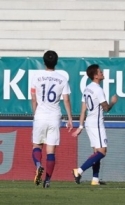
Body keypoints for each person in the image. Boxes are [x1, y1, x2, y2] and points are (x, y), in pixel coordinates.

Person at [31, 50, 73, 188]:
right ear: (56, 62)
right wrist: (70, 119)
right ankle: (47, 180)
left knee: (37, 145)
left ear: (44, 62)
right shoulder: (62, 78)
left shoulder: (36, 77)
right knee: (51, 151)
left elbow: (34, 98)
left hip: (40, 115)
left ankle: (38, 165)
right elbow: (66, 99)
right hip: (55, 116)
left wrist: (35, 113)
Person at [71, 64, 118, 185]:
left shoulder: (87, 89)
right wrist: (112, 102)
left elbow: (83, 110)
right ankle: (79, 171)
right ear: (95, 76)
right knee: (102, 152)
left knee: (96, 152)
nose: (102, 73)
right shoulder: (98, 89)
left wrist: (81, 126)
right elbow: (106, 108)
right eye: (100, 72)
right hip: (96, 124)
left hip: (88, 123)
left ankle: (95, 179)